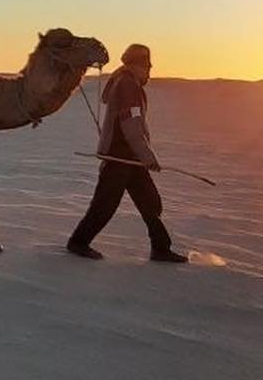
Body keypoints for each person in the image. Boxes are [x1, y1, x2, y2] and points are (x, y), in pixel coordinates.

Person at [67, 43, 188, 263]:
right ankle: (78, 242)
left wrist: (142, 156)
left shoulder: (126, 82)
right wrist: (148, 157)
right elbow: (131, 126)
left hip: (130, 156)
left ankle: (161, 248)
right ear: (138, 65)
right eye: (147, 66)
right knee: (105, 203)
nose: (150, 71)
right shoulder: (128, 86)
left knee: (149, 201)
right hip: (121, 155)